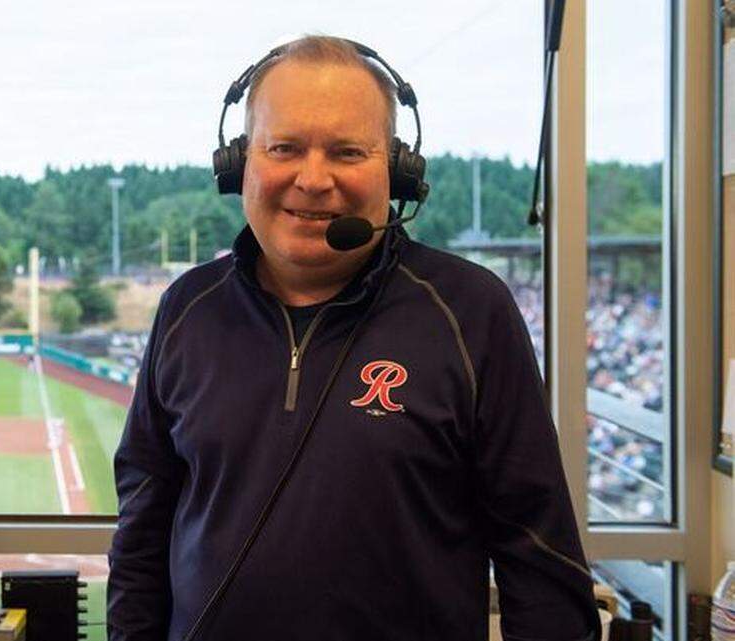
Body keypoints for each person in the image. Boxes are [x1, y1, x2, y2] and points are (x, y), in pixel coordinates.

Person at [107, 36, 600, 641]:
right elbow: (141, 536)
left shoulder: (471, 312)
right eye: (284, 147)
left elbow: (542, 564)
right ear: (239, 164)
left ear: (397, 171)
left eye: (347, 152)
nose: (314, 179)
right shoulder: (187, 309)